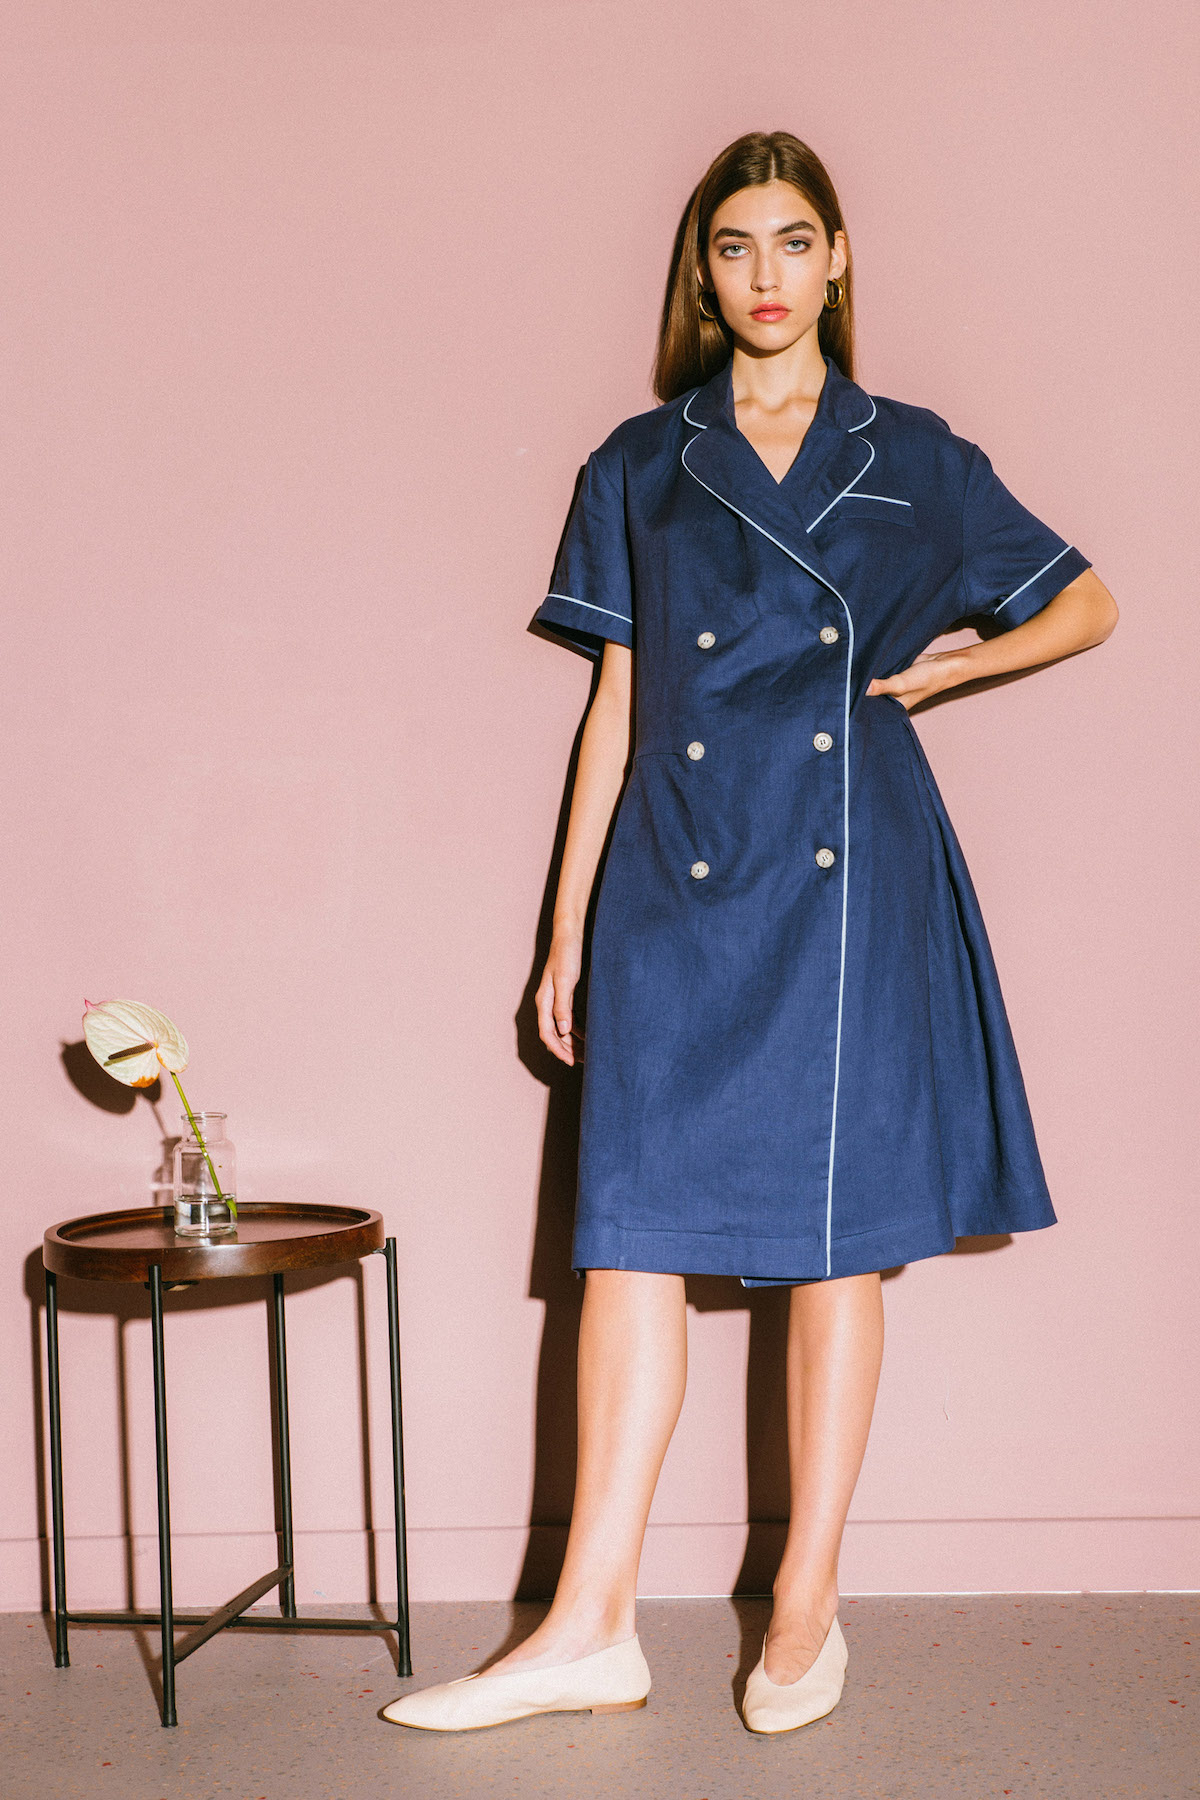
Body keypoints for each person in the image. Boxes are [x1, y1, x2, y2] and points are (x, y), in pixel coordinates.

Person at [384, 128, 1118, 1737]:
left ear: (837, 258)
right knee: (628, 1238)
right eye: (735, 247)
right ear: (702, 273)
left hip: (848, 873)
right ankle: (589, 1623)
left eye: (794, 242)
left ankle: (803, 1609)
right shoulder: (640, 463)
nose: (766, 275)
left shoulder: (914, 454)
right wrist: (566, 927)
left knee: (834, 1241)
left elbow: (1088, 600)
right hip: (674, 866)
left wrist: (959, 667)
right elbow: (619, 703)